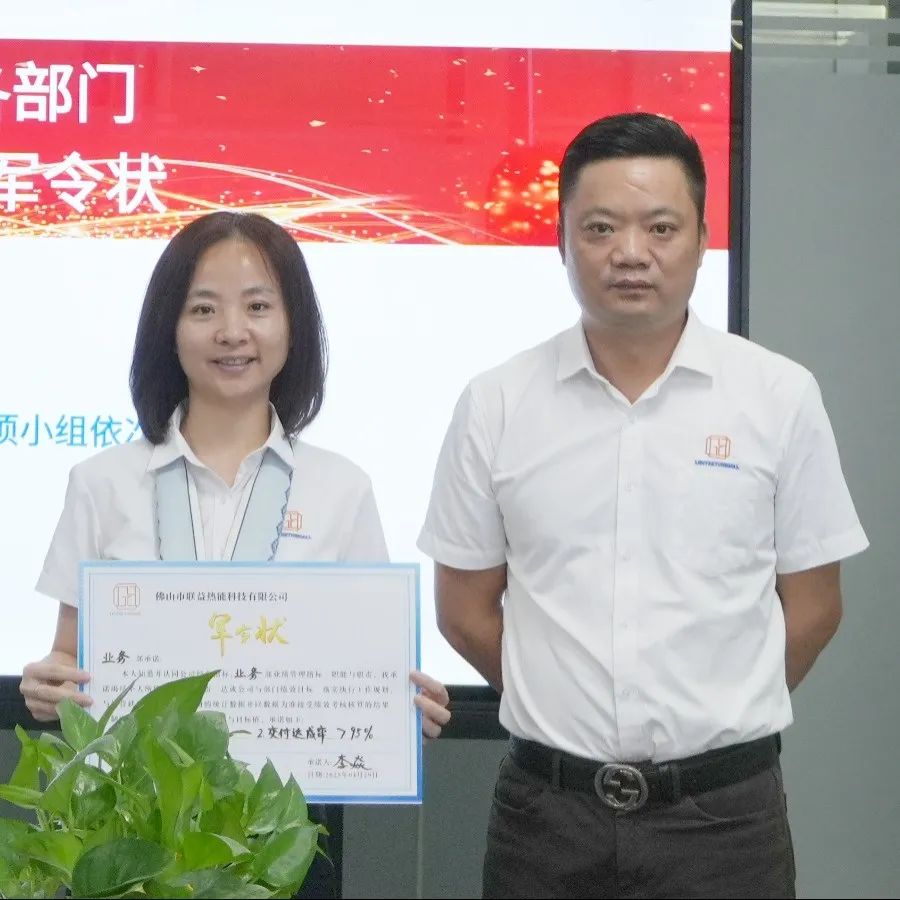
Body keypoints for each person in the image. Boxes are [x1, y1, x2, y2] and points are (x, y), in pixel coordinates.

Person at [417, 112, 868, 899]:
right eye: (600, 228)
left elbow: (815, 605)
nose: (630, 252)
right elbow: (464, 609)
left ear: (701, 239)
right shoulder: (497, 403)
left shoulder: (778, 396)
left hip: (725, 820)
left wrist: (719, 705)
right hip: (547, 816)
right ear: (562, 242)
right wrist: (562, 699)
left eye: (661, 227)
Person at [20, 211, 451, 899]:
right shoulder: (102, 483)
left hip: (280, 839)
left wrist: (401, 713)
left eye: (257, 307)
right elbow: (69, 659)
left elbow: (373, 666)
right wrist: (49, 690)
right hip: (128, 835)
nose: (231, 332)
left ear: (293, 327)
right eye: (203, 309)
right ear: (168, 328)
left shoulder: (341, 488)